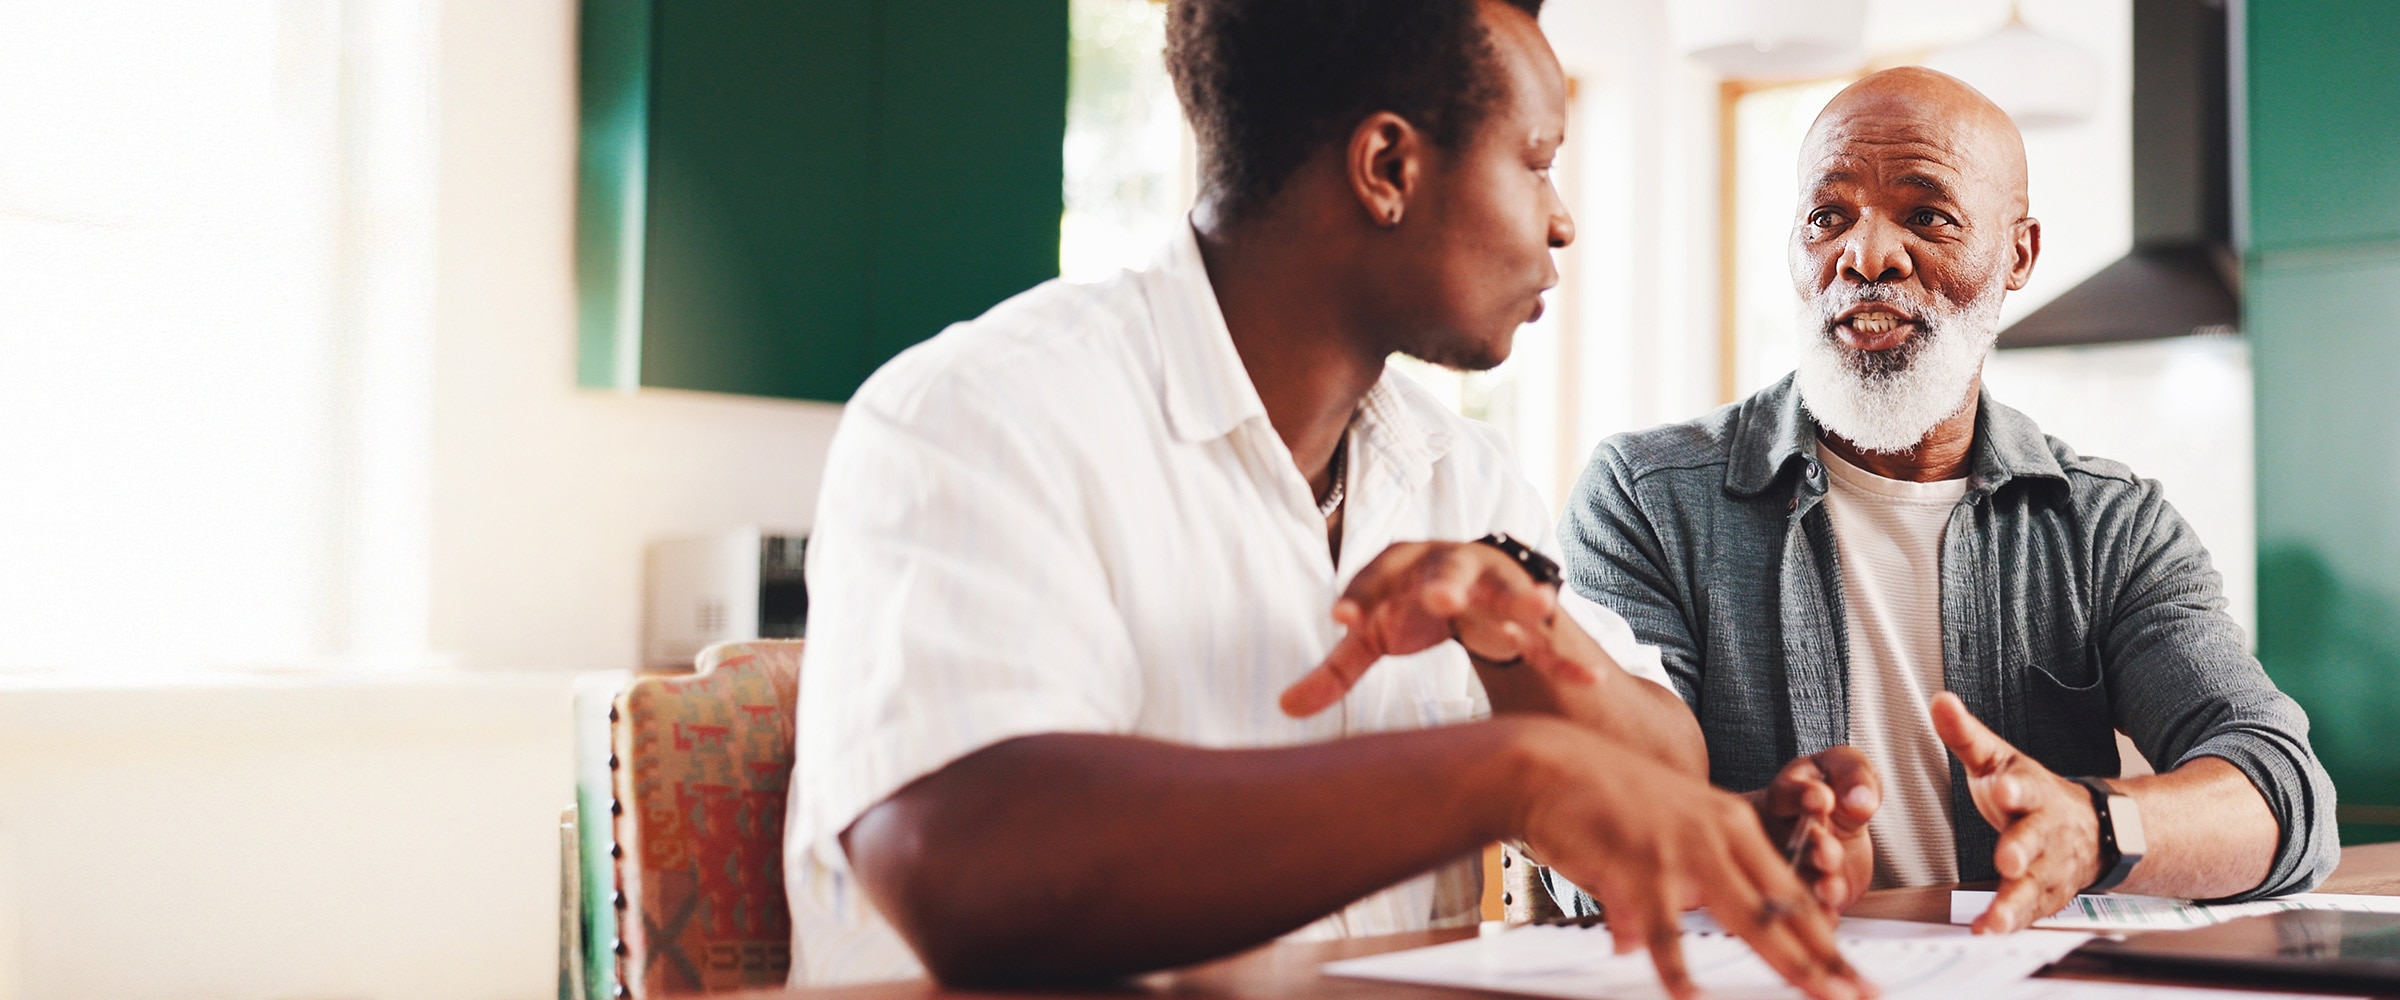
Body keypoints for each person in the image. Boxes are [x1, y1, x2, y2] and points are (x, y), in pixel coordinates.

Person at [783, 1, 1874, 996]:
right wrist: (1509, 772)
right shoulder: (980, 413)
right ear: (1387, 165)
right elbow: (964, 865)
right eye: (1537, 161)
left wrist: (1574, 702)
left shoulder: (1461, 475)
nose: (1562, 222)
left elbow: (1656, 768)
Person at [1544, 67, 2338, 932]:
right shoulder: (1647, 500)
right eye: (1827, 217)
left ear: (2018, 255)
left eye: (1926, 216)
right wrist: (1766, 850)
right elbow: (1591, 847)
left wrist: (2096, 826)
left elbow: (2282, 793)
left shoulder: (2111, 526)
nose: (1866, 255)